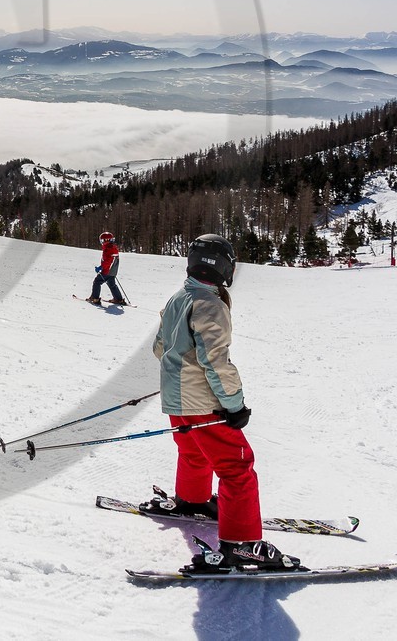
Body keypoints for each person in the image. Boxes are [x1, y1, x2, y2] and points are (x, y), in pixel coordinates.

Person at [145, 233, 300, 572]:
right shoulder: (210, 304)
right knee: (237, 466)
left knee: (193, 451)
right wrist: (234, 405)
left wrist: (179, 379)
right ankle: (242, 545)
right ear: (223, 266)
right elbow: (216, 361)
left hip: (177, 399)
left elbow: (160, 348)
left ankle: (193, 500)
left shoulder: (178, 298)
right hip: (202, 402)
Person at [88, 230, 124, 305]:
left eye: (102, 240)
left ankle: (95, 298)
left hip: (107, 271)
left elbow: (108, 261)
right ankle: (118, 299)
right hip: (113, 271)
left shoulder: (108, 249)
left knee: (97, 282)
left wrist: (101, 267)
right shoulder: (113, 248)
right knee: (112, 284)